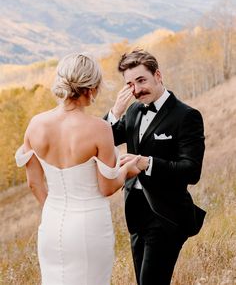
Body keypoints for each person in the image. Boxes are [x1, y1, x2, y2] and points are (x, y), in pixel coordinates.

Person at [15, 52, 143, 285]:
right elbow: (106, 187)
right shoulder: (99, 129)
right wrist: (127, 170)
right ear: (91, 88)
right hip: (89, 225)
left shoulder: (36, 125)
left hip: (51, 224)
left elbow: (34, 183)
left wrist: (55, 209)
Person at [106, 49, 206, 285]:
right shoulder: (132, 111)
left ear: (158, 75)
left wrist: (146, 163)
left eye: (141, 80)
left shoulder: (187, 116)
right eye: (130, 84)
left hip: (166, 216)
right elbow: (102, 140)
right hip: (135, 213)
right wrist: (115, 113)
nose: (137, 89)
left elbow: (192, 171)